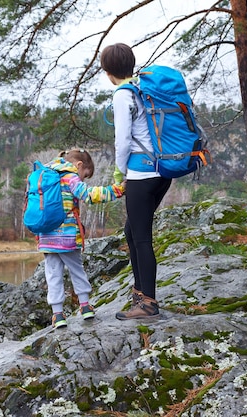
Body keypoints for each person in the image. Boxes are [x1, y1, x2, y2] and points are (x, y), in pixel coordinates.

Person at [100, 43, 172, 320]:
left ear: (108, 72)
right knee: (132, 231)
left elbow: (122, 141)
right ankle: (140, 292)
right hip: (162, 173)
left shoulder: (122, 95)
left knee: (141, 238)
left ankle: (148, 304)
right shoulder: (144, 89)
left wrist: (121, 174)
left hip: (141, 175)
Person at [37, 149, 125, 328]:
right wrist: (116, 190)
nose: (83, 179)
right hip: (67, 235)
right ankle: (85, 306)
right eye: (85, 175)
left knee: (53, 274)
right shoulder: (70, 177)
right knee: (77, 270)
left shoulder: (44, 174)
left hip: (46, 236)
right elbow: (89, 195)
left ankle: (58, 315)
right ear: (79, 165)